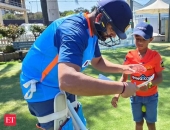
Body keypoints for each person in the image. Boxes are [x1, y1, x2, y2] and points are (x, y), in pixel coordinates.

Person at [20, 0, 146, 129]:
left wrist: (125, 68)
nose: (112, 35)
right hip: (41, 85)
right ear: (100, 17)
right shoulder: (73, 30)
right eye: (112, 29)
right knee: (63, 126)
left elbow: (98, 61)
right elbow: (68, 80)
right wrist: (122, 88)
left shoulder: (92, 31)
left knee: (79, 124)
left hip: (57, 83)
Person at [111, 22, 164, 130]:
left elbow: (160, 77)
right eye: (137, 38)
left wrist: (149, 85)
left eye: (143, 39)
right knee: (138, 123)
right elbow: (124, 77)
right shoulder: (130, 55)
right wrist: (117, 95)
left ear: (151, 39)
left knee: (150, 124)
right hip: (135, 96)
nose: (139, 42)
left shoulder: (156, 56)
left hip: (151, 97)